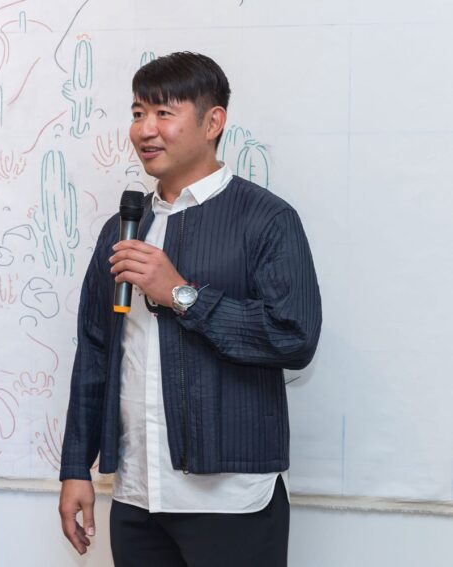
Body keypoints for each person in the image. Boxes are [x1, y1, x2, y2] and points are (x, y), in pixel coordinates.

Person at [58, 52, 322, 566]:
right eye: (137, 113)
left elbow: (294, 338)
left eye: (164, 113)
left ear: (213, 122)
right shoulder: (122, 229)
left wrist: (182, 294)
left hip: (231, 498)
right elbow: (94, 351)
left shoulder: (267, 219)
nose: (145, 130)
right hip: (137, 493)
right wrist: (75, 468)